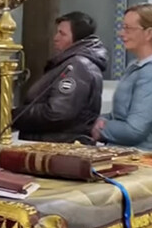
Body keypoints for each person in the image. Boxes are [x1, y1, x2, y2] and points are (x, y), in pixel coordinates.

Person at [13, 11, 107, 144]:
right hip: (53, 141)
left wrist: (14, 115)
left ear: (77, 38)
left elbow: (58, 113)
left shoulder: (78, 66)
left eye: (62, 34)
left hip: (61, 144)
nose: (55, 38)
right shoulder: (71, 62)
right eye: (57, 32)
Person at [92, 3, 152, 152]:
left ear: (149, 33)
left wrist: (101, 128)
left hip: (146, 158)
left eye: (128, 28)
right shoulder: (137, 66)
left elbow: (135, 130)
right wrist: (103, 119)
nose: (121, 33)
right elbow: (121, 114)